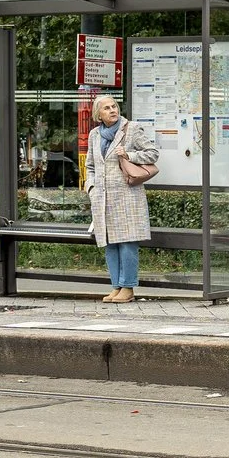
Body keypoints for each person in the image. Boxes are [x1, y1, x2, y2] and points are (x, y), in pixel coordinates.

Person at [84, 94, 158, 302]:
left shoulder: (131, 129)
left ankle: (128, 287)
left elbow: (153, 154)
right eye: (106, 108)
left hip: (127, 197)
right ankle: (116, 286)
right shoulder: (94, 135)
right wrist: (91, 187)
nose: (112, 110)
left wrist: (129, 154)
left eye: (114, 106)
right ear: (98, 114)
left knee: (127, 243)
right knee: (109, 243)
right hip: (102, 198)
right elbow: (90, 166)